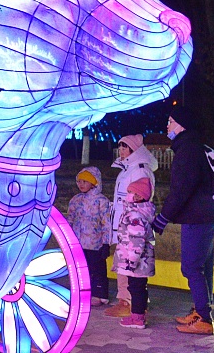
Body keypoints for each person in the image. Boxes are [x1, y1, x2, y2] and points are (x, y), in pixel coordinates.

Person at [152, 105, 214, 334]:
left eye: (171, 122)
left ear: (182, 125)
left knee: (191, 267)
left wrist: (163, 217)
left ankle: (203, 318)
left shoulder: (188, 150)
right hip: (206, 215)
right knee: (203, 267)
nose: (167, 126)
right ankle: (200, 310)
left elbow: (182, 189)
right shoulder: (194, 146)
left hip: (198, 216)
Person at [105, 134, 157, 318]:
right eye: (120, 146)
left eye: (125, 146)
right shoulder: (128, 168)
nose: (121, 150)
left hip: (132, 226)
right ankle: (125, 300)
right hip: (124, 224)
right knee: (122, 262)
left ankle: (129, 302)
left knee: (129, 264)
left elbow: (142, 194)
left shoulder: (139, 170)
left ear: (134, 149)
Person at [66, 166, 110, 307]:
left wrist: (106, 242)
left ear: (94, 182)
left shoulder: (101, 201)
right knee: (80, 269)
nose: (81, 184)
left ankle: (100, 294)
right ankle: (82, 291)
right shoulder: (76, 200)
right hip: (78, 242)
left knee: (97, 269)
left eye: (85, 181)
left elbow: (106, 223)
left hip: (95, 243)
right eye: (79, 181)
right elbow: (70, 220)